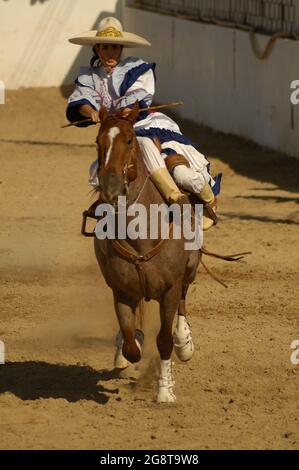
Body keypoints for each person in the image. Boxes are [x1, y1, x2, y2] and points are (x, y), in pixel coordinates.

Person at [67, 17, 221, 230]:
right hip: (116, 131)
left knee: (167, 162)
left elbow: (135, 100)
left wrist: (124, 111)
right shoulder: (89, 76)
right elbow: (81, 99)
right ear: (97, 49)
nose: (110, 52)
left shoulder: (137, 68)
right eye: (105, 47)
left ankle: (194, 199)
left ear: (121, 49)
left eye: (114, 47)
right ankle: (110, 205)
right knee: (104, 165)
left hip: (146, 126)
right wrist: (91, 112)